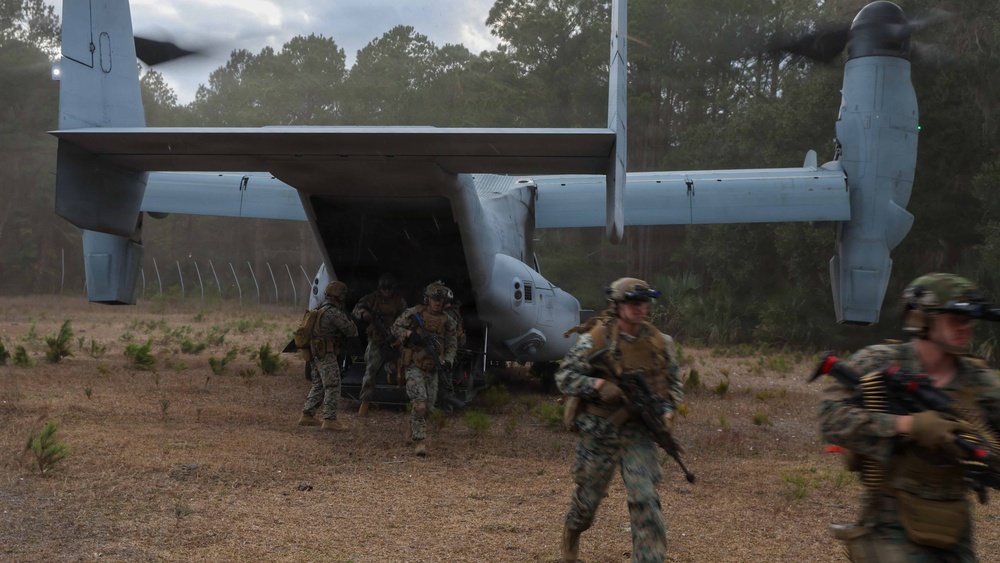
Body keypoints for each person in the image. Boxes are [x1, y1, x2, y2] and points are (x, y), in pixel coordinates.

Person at [818, 273, 1000, 562]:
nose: (965, 326)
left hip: (952, 521)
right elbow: (831, 418)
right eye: (955, 318)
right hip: (889, 518)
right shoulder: (879, 362)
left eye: (969, 319)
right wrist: (908, 425)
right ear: (922, 319)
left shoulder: (979, 381)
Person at [556, 277, 682, 563]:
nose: (639, 308)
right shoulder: (595, 339)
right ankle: (572, 533)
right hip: (601, 431)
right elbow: (564, 377)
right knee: (587, 503)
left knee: (645, 499)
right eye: (632, 303)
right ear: (618, 305)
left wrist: (668, 411)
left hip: (639, 432)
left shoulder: (660, 343)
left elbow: (674, 384)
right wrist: (598, 386)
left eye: (643, 303)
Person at [392, 280, 458, 456]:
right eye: (434, 299)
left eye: (440, 300)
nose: (437, 302)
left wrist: (448, 360)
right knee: (420, 405)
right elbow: (395, 327)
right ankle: (420, 441)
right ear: (427, 299)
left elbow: (452, 345)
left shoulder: (448, 321)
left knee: (428, 408)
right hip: (415, 364)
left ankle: (412, 429)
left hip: (433, 368)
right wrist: (408, 334)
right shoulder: (415, 313)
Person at [298, 280, 359, 431]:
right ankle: (330, 419)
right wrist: (352, 322)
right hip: (326, 352)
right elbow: (352, 331)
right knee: (333, 384)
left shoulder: (319, 309)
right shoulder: (333, 313)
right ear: (340, 296)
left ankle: (307, 414)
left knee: (319, 383)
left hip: (315, 352)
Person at [351, 274, 407, 416]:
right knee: (370, 370)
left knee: (402, 369)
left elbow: (406, 317)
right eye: (384, 289)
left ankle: (402, 400)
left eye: (389, 289)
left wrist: (398, 333)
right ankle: (365, 402)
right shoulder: (371, 299)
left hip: (394, 338)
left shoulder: (399, 301)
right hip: (376, 338)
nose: (386, 292)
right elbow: (356, 310)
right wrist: (365, 315)